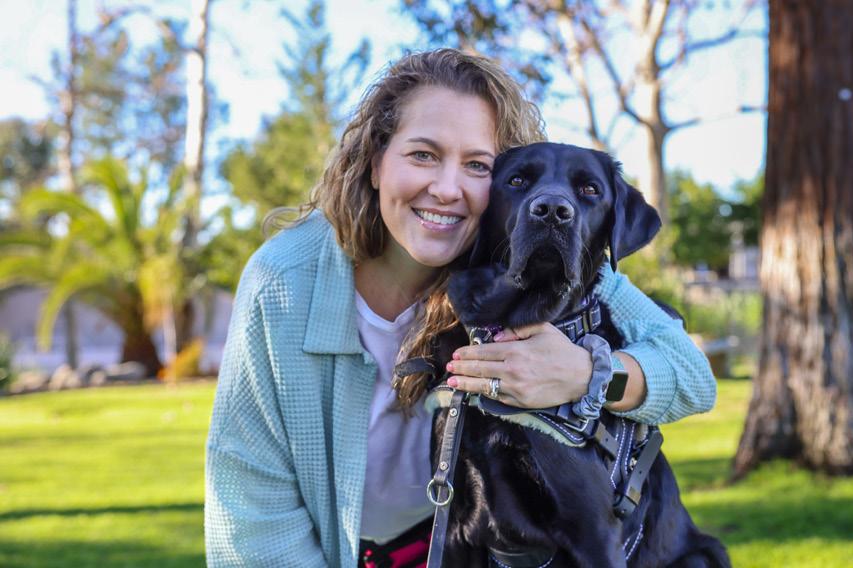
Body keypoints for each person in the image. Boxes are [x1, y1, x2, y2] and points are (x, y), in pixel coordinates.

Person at [204, 48, 717, 568]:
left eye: (476, 165)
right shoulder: (284, 282)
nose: (447, 189)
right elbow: (254, 518)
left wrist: (588, 375)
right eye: (423, 155)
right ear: (376, 162)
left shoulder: (525, 269)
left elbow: (692, 375)